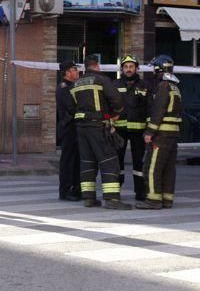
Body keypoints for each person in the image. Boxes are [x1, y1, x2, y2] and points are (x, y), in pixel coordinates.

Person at [70, 56, 130, 209]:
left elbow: (72, 107)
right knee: (108, 161)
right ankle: (112, 199)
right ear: (97, 65)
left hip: (81, 128)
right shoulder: (102, 80)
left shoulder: (76, 83)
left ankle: (89, 198)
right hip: (98, 126)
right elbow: (116, 99)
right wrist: (116, 114)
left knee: (87, 162)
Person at [137, 55, 184, 210]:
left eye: (154, 68)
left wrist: (149, 131)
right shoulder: (175, 86)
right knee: (169, 168)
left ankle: (153, 199)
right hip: (173, 134)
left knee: (153, 167)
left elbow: (158, 111)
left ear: (159, 68)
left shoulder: (163, 86)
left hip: (161, 135)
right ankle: (167, 199)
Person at [114, 55, 150, 204]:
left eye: (131, 66)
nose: (128, 69)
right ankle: (115, 190)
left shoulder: (144, 85)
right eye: (126, 67)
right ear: (122, 69)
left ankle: (140, 192)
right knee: (117, 162)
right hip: (119, 130)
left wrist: (149, 130)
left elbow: (149, 107)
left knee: (139, 163)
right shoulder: (114, 84)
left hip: (139, 130)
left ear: (137, 68)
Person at [56, 61, 80, 201]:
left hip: (76, 127)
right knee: (68, 160)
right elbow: (72, 107)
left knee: (77, 160)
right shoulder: (63, 87)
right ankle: (64, 191)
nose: (77, 72)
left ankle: (76, 189)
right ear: (67, 72)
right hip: (68, 127)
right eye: (74, 69)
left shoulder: (73, 86)